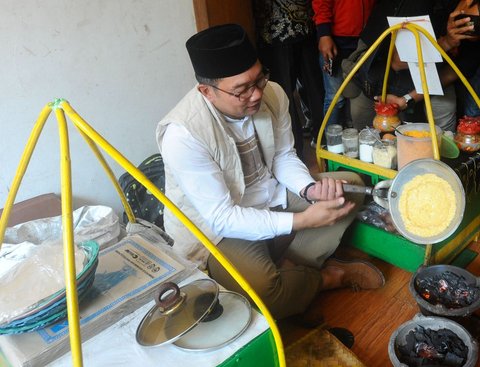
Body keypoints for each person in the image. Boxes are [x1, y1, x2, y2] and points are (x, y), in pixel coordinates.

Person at [156, 24, 385, 321]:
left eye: (259, 79)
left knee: (349, 188)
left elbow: (283, 155)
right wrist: (302, 221)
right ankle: (328, 278)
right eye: (241, 90)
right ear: (206, 92)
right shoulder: (183, 133)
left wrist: (308, 189)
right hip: (221, 230)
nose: (255, 95)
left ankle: (289, 265)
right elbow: (223, 218)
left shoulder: (273, 93)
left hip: (272, 196)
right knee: (265, 293)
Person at [346, 0, 476, 132]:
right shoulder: (416, 8)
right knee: (363, 129)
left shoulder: (470, 42)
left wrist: (407, 99)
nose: (471, 27)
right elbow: (398, 62)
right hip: (377, 67)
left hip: (430, 79)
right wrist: (445, 43)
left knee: (442, 119)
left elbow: (453, 71)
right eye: (470, 21)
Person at [252, 0, 325, 160]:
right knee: (313, 88)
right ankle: (323, 142)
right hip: (303, 25)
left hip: (277, 31)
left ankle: (295, 152)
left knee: (283, 94)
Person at [312, 0, 377, 138]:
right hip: (336, 40)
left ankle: (354, 142)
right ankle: (330, 143)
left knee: (359, 95)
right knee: (336, 98)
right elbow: (321, 3)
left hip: (366, 40)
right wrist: (324, 34)